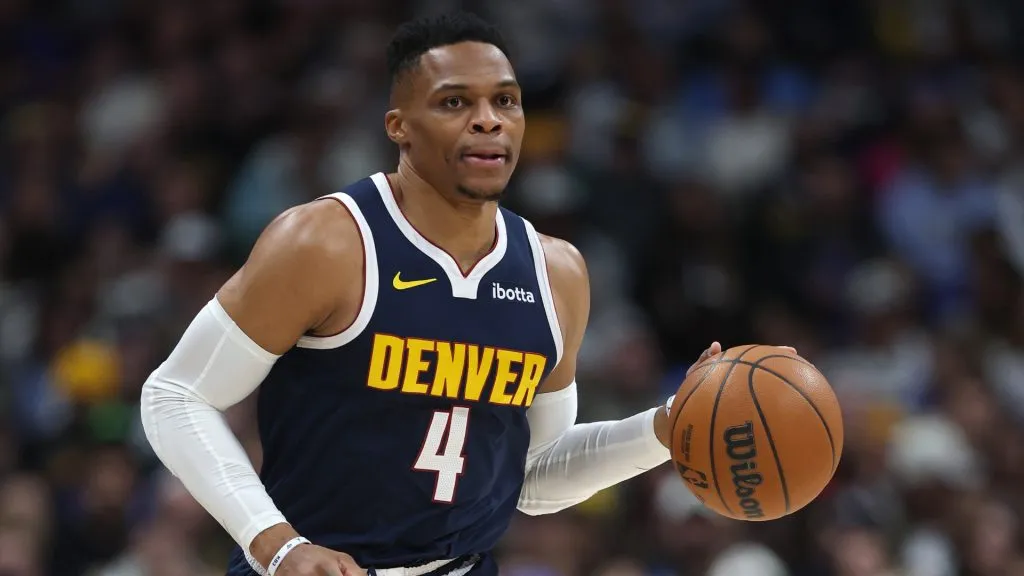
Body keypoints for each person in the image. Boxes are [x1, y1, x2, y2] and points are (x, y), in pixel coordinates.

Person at [140, 11, 776, 576]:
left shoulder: (556, 272)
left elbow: (533, 475)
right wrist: (276, 544)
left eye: (506, 101)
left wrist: (665, 426)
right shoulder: (326, 242)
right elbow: (175, 395)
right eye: (454, 102)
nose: (488, 120)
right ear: (399, 126)